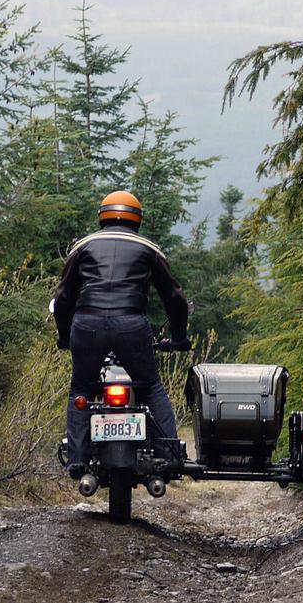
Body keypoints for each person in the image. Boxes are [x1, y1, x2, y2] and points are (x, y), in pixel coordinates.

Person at [53, 190, 191, 479]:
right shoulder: (148, 248)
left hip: (87, 324)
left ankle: (77, 461)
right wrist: (179, 337)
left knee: (81, 389)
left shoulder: (84, 246)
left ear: (102, 217)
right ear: (137, 219)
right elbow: (174, 297)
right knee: (150, 388)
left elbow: (64, 296)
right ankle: (169, 456)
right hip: (131, 323)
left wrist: (64, 336)